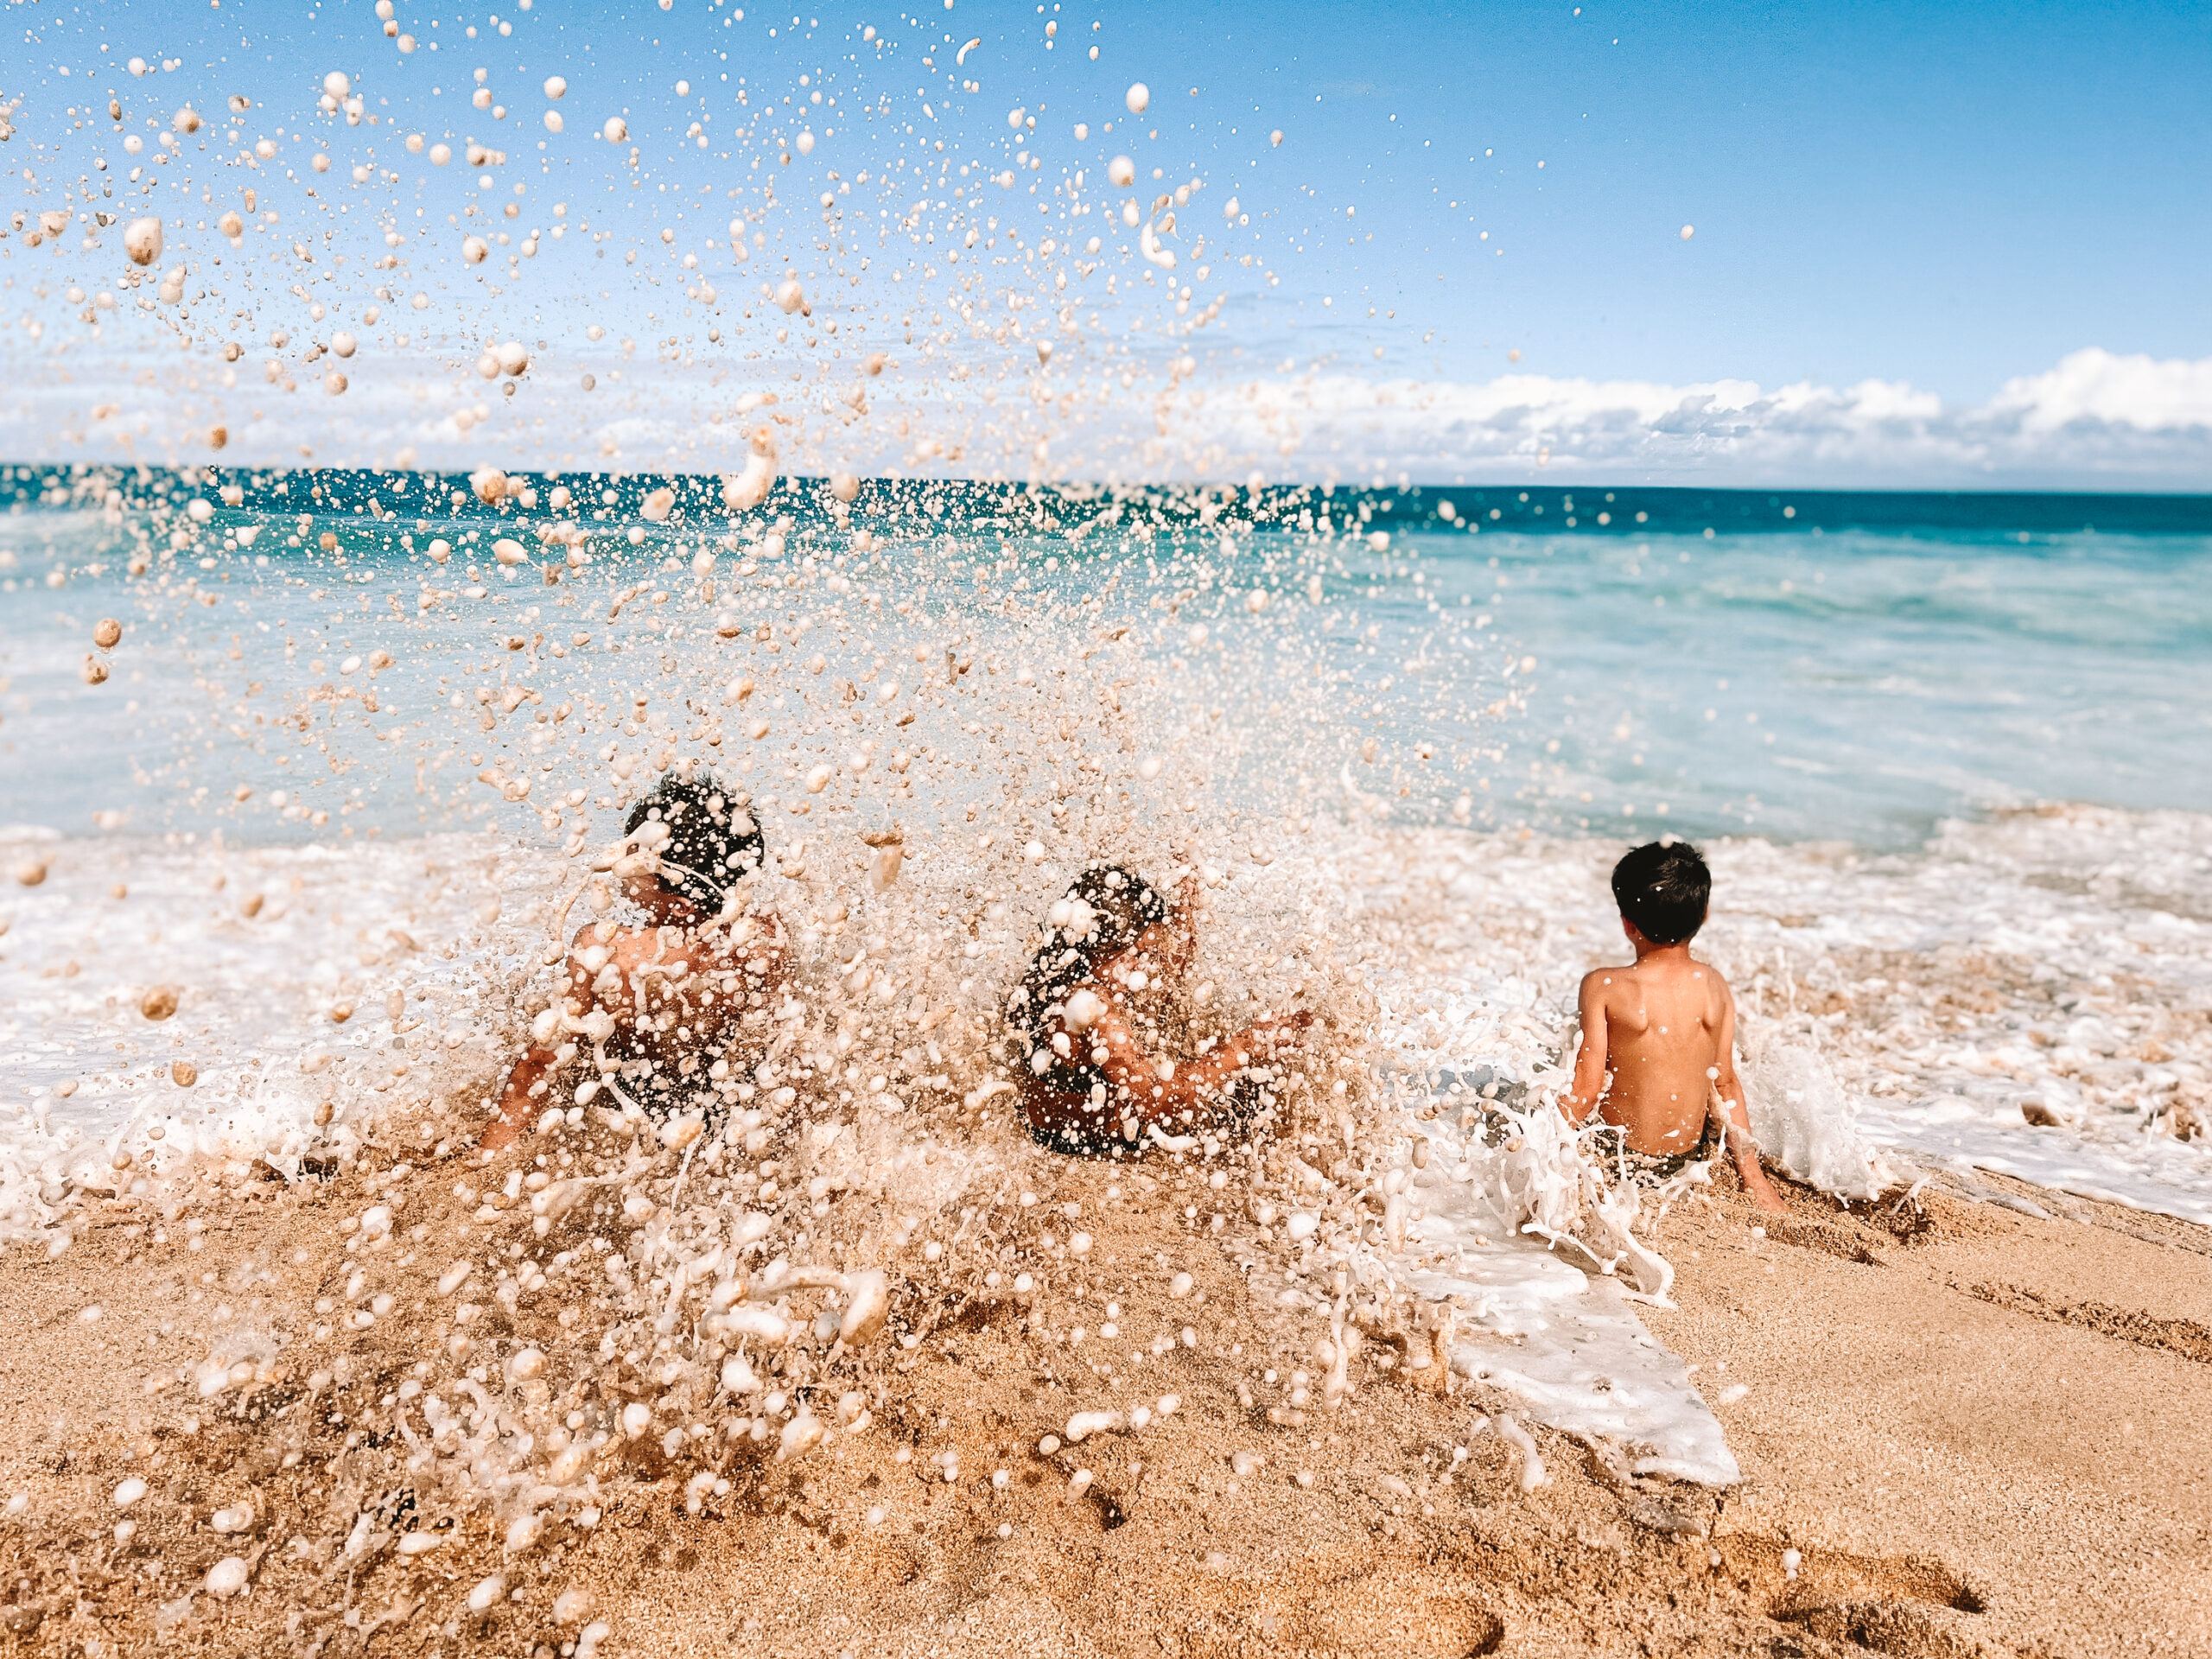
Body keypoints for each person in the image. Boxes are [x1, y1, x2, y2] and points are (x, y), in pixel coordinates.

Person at [485, 772, 786, 1148]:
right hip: (729, 1122)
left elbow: (540, 1064)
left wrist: (488, 1156)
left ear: (679, 903)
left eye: (634, 856)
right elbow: (786, 1053)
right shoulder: (763, 943)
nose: (619, 858)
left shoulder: (606, 952)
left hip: (631, 1120)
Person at [1008, 863, 1312, 1156]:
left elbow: (1171, 973)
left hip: (1066, 1128)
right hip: (1092, 1144)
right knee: (1249, 1085)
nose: (1146, 967)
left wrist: (1185, 906)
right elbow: (1156, 1104)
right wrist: (1247, 1045)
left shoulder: (1055, 979)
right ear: (1099, 950)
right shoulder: (1090, 1005)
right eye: (1138, 954)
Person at [1563, 839, 1788, 1212]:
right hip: (1686, 1165)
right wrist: (1754, 1176)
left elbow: (1584, 1091)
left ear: (1627, 924)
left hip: (1617, 1161)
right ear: (1704, 916)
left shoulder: (1604, 985)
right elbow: (1726, 1082)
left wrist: (1536, 1150)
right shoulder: (1714, 984)